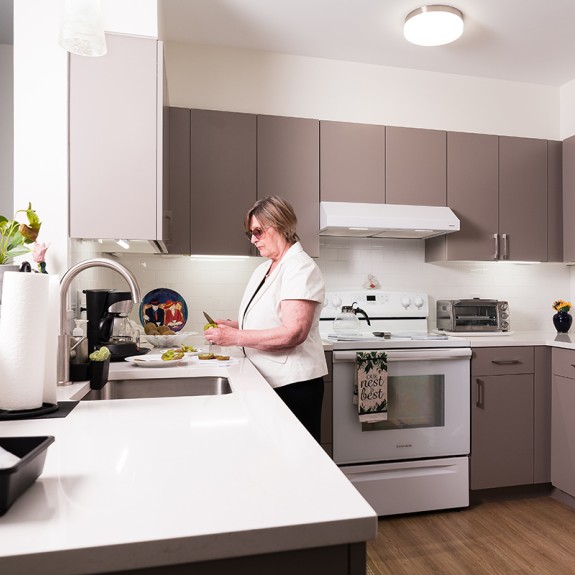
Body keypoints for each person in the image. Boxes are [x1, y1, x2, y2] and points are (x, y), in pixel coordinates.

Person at [204, 196, 327, 442]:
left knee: (296, 460)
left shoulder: (300, 268)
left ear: (280, 225)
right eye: (250, 233)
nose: (253, 240)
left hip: (294, 387)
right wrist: (235, 326)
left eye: (258, 232)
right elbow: (271, 320)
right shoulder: (265, 268)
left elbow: (293, 333)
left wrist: (235, 337)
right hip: (267, 382)